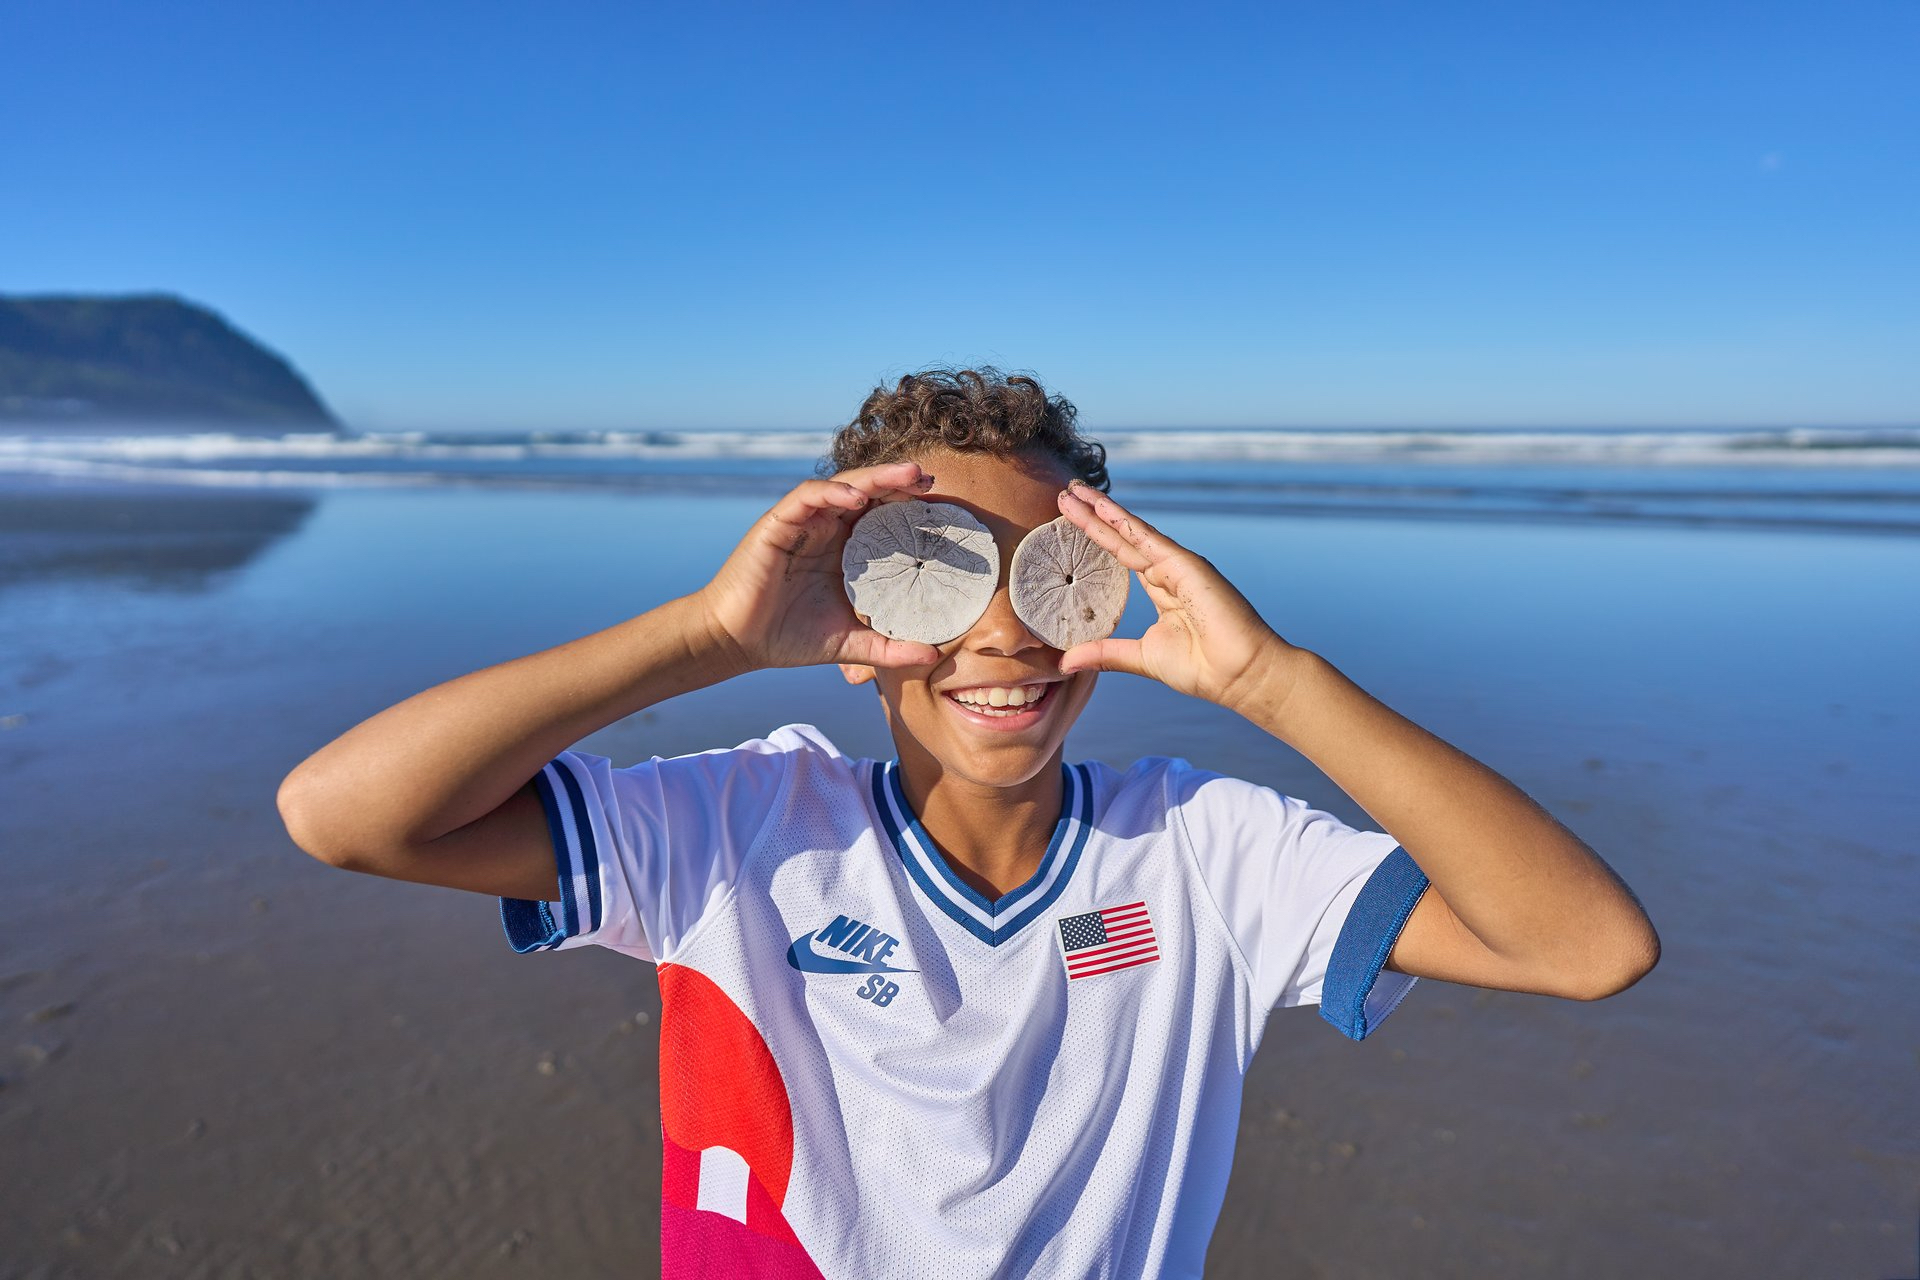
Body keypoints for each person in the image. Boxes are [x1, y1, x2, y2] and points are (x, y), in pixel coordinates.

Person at [278, 367, 1659, 1278]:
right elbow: (342, 815)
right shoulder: (733, 830)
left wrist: (1275, 684)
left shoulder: (1208, 854)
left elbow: (1584, 947)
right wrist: (708, 636)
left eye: (1048, 575)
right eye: (936, 578)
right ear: (852, 614)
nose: (1003, 635)